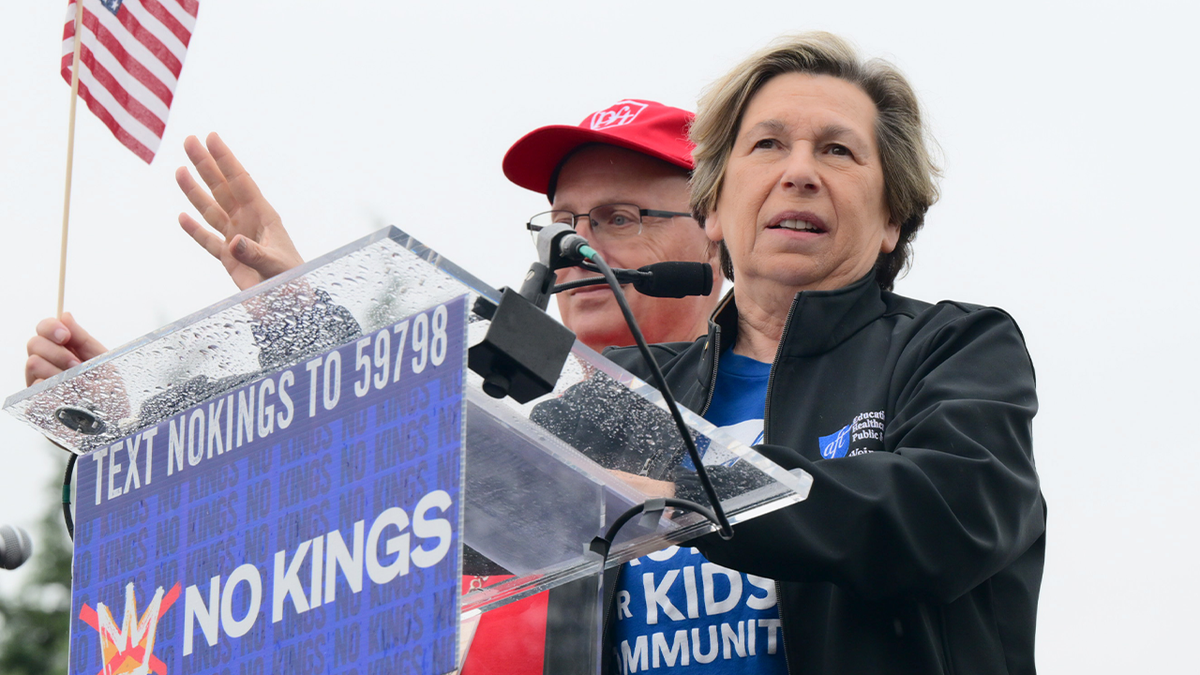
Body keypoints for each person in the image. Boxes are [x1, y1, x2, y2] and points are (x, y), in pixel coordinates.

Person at [533, 32, 1045, 674]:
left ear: (891, 218)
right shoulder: (632, 386)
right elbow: (481, 515)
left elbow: (949, 516)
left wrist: (690, 494)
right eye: (768, 145)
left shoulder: (954, 347)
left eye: (837, 150)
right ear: (712, 209)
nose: (799, 173)